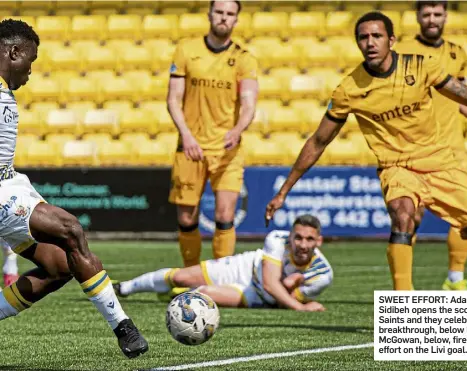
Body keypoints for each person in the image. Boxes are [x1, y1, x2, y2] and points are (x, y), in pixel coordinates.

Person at [265, 11, 467, 291]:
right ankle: (403, 305)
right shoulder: (349, 89)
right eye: (363, 37)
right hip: (398, 168)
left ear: (391, 40)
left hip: (443, 163)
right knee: (402, 214)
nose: (370, 42)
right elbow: (318, 142)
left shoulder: (422, 66)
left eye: (377, 36)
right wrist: (284, 190)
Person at [0, 19, 147, 358]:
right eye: (31, 62)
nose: (31, 72)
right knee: (70, 228)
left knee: (60, 268)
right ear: (14, 52)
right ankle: (123, 326)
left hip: (11, 183)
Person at [394, 0, 467, 291]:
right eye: (427, 14)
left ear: (445, 16)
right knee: (409, 215)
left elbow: (456, 93)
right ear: (418, 17)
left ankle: (455, 279)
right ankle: (404, 289)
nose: (432, 19)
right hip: (416, 148)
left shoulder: (456, 53)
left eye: (438, 14)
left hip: (453, 148)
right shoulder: (403, 51)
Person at [167, 0, 258, 267]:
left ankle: (221, 277)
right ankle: (191, 275)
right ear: (209, 14)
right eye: (219, 12)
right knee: (186, 218)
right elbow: (173, 99)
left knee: (225, 213)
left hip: (227, 149)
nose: (224, 18)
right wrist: (186, 135)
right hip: (190, 145)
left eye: (230, 14)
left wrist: (238, 129)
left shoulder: (244, 58)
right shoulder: (186, 50)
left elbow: (250, 102)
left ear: (236, 20)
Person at [114, 215, 332, 312]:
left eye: (309, 239)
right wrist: (300, 307)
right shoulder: (277, 239)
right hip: (245, 268)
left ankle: (174, 293)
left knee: (199, 296)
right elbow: (270, 284)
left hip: (255, 297)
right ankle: (124, 288)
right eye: (298, 238)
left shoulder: (323, 274)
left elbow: (279, 297)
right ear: (290, 236)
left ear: (319, 241)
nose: (302, 244)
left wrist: (286, 290)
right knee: (180, 276)